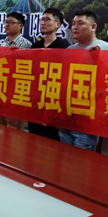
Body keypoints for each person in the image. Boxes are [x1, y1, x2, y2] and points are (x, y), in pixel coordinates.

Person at [60, 10, 108, 151]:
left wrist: (99, 59)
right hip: (66, 116)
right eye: (73, 23)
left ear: (93, 27)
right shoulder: (69, 50)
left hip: (88, 119)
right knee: (63, 158)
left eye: (80, 23)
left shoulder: (107, 49)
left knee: (80, 161)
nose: (75, 27)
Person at [30, 8, 70, 141]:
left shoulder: (64, 47)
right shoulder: (35, 46)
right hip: (36, 98)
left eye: (47, 20)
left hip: (54, 99)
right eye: (42, 19)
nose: (43, 23)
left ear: (57, 24)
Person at [0, 12, 31, 129]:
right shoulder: (2, 43)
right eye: (6, 22)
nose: (7, 25)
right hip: (0, 91)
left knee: (14, 129)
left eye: (11, 22)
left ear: (20, 26)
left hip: (15, 93)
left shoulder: (26, 45)